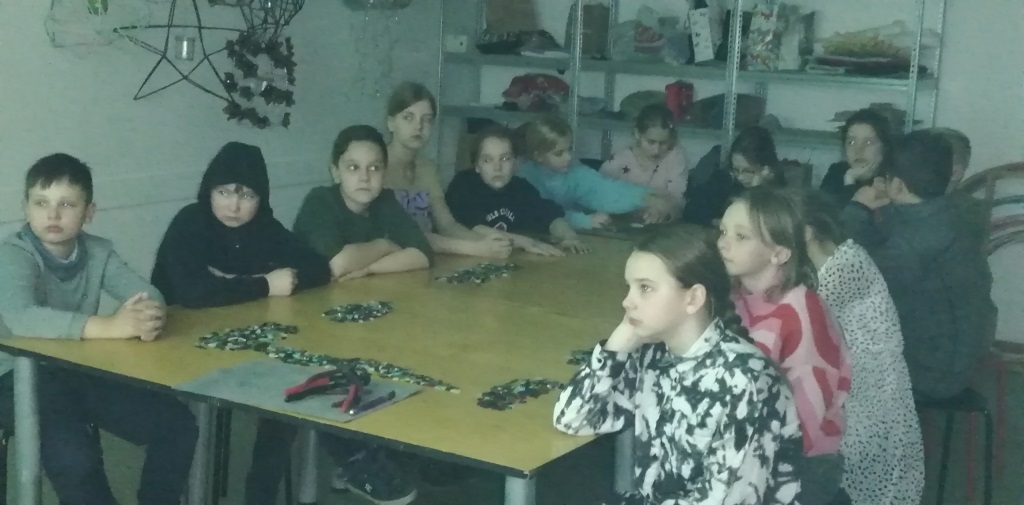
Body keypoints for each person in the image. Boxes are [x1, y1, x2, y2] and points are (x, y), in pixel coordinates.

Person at [0, 153, 198, 505]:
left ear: (89, 212)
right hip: (13, 376)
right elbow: (22, 318)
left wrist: (146, 317)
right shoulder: (13, 254)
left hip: (75, 367)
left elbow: (149, 294)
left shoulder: (98, 251)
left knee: (177, 424)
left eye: (67, 204)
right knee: (75, 457)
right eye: (41, 203)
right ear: (26, 208)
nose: (53, 215)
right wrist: (109, 325)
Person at [554, 226, 802, 504]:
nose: (627, 301)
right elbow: (572, 419)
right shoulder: (652, 356)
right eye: (629, 287)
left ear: (693, 298)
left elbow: (723, 499)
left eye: (645, 288)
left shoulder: (746, 381)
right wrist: (616, 348)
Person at [718, 187, 851, 504]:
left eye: (741, 236)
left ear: (779, 254)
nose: (723, 243)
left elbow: (808, 414)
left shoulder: (801, 313)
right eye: (722, 231)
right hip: (749, 446)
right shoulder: (735, 294)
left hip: (799, 463)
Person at [841, 130, 997, 400]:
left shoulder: (921, 236)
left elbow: (850, 276)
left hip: (931, 372)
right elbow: (876, 253)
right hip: (955, 357)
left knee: (820, 357)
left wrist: (857, 209)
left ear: (897, 185)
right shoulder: (946, 214)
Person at [798, 189, 924, 505]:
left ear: (807, 231)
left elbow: (801, 324)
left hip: (870, 388)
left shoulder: (845, 265)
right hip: (852, 376)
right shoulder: (828, 261)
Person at [151, 141, 331, 307]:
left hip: (241, 317)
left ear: (261, 200)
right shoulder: (189, 222)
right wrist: (265, 284)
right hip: (181, 323)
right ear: (209, 192)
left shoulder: (264, 225)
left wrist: (277, 281)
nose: (234, 207)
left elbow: (319, 269)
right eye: (223, 193)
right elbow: (192, 293)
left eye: (247, 196)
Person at [384, 81, 513, 258]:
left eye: (427, 119)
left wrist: (489, 244)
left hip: (424, 260)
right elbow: (399, 235)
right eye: (408, 117)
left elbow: (447, 225)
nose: (418, 126)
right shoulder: (376, 166)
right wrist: (475, 249)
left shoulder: (427, 168)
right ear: (391, 123)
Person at [294, 125, 433, 282]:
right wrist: (385, 246)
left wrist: (369, 269)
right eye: (353, 167)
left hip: (354, 289)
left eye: (374, 168)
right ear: (336, 172)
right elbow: (337, 265)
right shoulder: (320, 201)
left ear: (384, 173)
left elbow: (423, 255)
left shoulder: (385, 200)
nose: (365, 178)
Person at [445, 125, 588, 255]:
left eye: (505, 159)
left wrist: (569, 237)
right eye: (487, 160)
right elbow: (474, 228)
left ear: (515, 162)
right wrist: (527, 243)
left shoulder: (522, 189)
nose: (497, 167)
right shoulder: (463, 185)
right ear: (477, 166)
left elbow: (551, 217)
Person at [516, 114, 675, 230]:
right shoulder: (524, 178)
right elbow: (539, 213)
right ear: (538, 156)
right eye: (559, 153)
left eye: (569, 149)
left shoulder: (574, 171)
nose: (568, 157)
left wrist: (647, 198)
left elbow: (604, 189)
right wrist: (584, 221)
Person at [683, 126, 784, 226]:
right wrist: (721, 222)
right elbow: (691, 210)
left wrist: (756, 190)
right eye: (736, 169)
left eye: (748, 171)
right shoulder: (726, 179)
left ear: (766, 169)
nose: (740, 177)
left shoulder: (779, 191)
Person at [600, 104, 688, 218]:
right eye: (651, 142)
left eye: (663, 143)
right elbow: (600, 195)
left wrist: (664, 212)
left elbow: (677, 198)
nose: (656, 150)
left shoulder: (675, 156)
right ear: (638, 134)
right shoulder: (617, 162)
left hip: (662, 223)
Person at [819, 108, 893, 205]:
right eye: (851, 142)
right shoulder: (836, 172)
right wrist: (849, 179)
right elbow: (826, 211)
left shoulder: (892, 181)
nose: (858, 150)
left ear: (884, 147)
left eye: (868, 142)